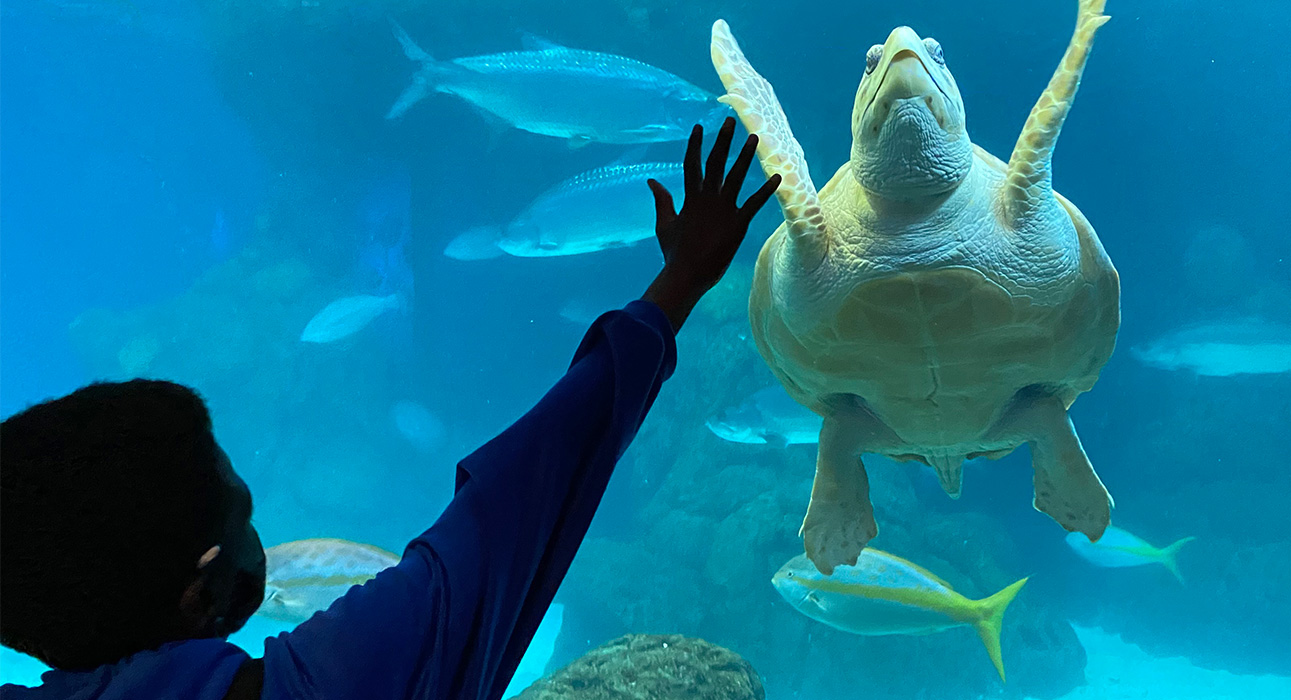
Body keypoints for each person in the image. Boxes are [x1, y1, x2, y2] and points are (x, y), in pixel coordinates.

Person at [0, 117, 780, 700]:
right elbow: (516, 503)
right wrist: (677, 285)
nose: (252, 523)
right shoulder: (339, 685)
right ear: (201, 593)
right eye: (239, 508)